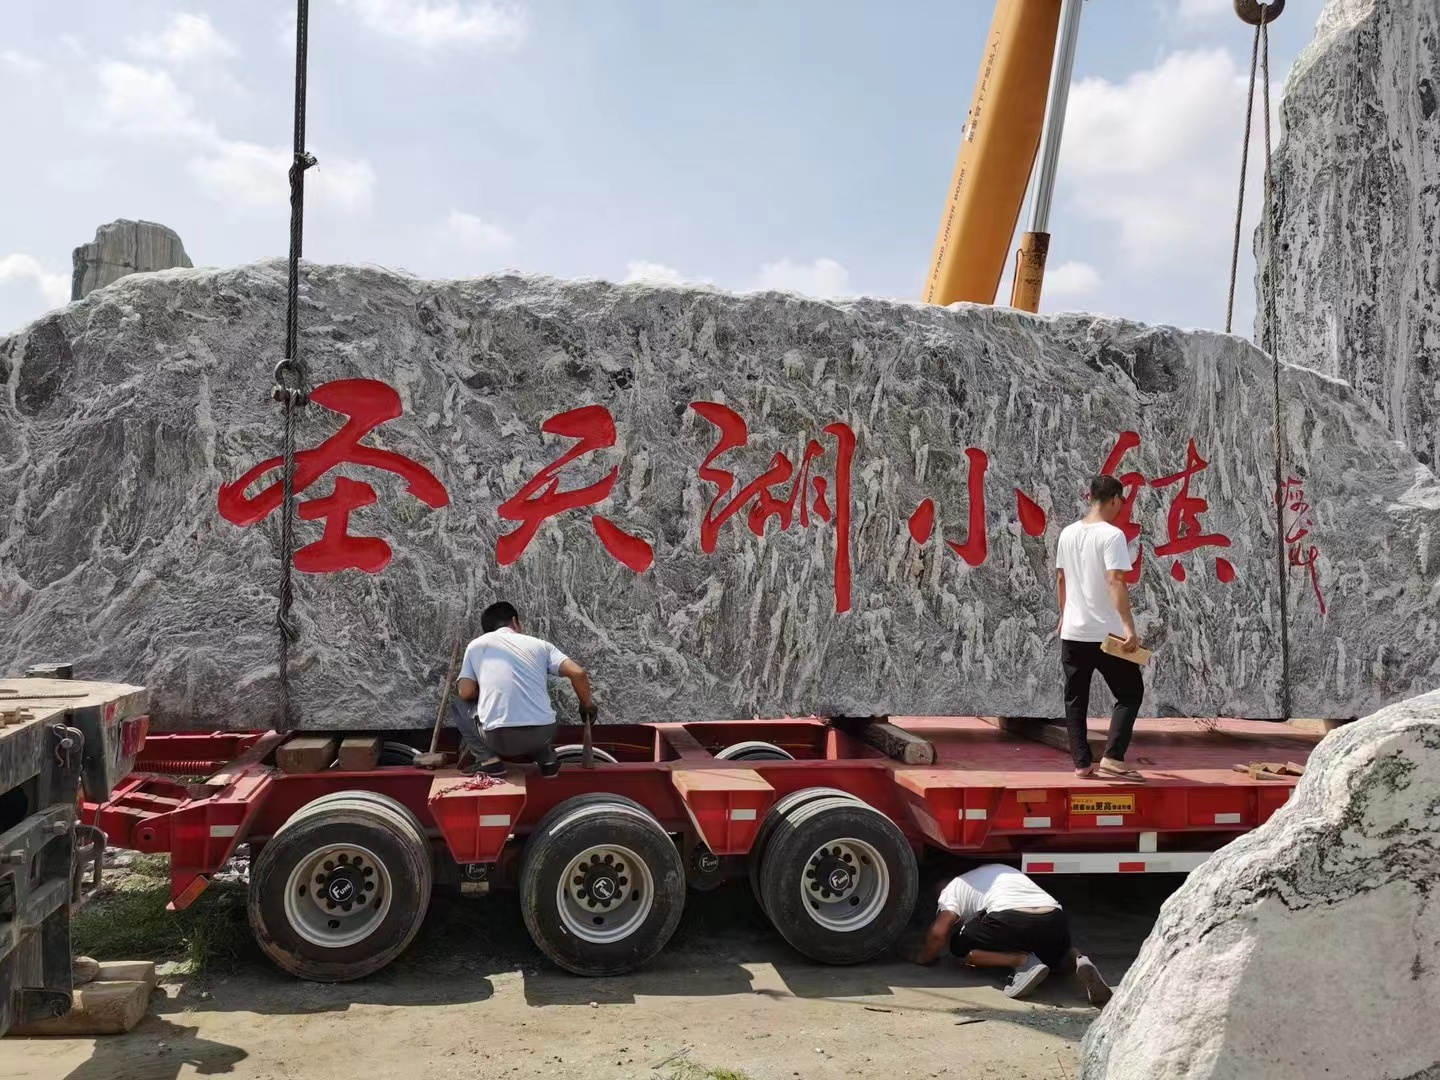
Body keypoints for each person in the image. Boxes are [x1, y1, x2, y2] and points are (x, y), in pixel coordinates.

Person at [902, 863, 1112, 1005]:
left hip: (1009, 917)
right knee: (1057, 951)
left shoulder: (951, 889)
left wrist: (924, 957)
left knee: (958, 946)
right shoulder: (999, 872)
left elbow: (939, 931)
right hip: (1053, 916)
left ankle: (1021, 962)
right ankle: (1080, 962)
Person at [1055, 475, 1146, 782]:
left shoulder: (1067, 534)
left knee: (1075, 699)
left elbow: (1061, 579)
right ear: (1114, 500)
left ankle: (1082, 765)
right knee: (1130, 693)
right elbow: (1116, 580)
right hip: (1106, 635)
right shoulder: (1112, 536)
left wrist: (1063, 614)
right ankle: (1113, 757)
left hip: (1074, 632)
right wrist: (1128, 627)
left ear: (1089, 497)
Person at [455, 600, 595, 777]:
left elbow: (465, 692)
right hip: (544, 734)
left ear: (487, 630)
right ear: (514, 621)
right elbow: (578, 673)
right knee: (543, 703)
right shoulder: (540, 645)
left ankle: (488, 760)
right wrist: (587, 705)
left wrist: (489, 692)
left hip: (498, 739)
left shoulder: (476, 646)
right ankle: (547, 759)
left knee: (458, 703)